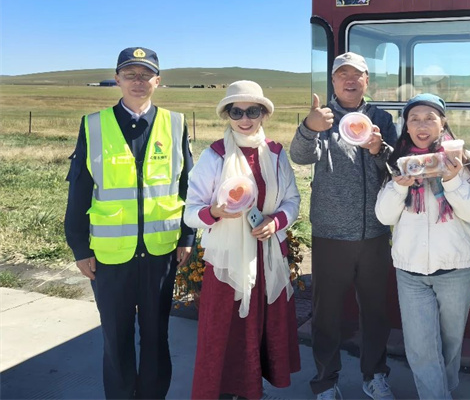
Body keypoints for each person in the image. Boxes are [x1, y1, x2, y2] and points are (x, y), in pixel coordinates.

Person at [64, 47, 195, 400]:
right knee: (115, 336)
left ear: (158, 81)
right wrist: (79, 247)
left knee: (156, 336)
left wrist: (187, 236)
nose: (138, 81)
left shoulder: (175, 123)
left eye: (145, 75)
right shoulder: (94, 125)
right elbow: (79, 189)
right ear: (117, 79)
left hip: (160, 251)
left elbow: (187, 186)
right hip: (110, 256)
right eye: (130, 74)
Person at [289, 52, 397, 400]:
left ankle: (375, 375)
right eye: (342, 74)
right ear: (333, 80)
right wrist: (309, 128)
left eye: (357, 74)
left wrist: (380, 149)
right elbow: (300, 156)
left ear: (367, 80)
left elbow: (396, 167)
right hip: (331, 234)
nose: (350, 80)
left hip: (375, 232)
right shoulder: (322, 117)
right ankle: (325, 381)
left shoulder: (381, 118)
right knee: (326, 315)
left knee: (376, 312)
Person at [184, 80, 301, 399]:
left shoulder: (276, 153)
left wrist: (275, 222)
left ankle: (252, 389)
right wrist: (214, 212)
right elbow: (190, 211)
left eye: (252, 111)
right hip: (227, 263)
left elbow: (292, 200)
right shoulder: (215, 156)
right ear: (227, 115)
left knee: (262, 330)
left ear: (263, 114)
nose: (245, 119)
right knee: (225, 332)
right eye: (237, 112)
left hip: (268, 259)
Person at [375, 93, 470, 400]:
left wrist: (452, 179)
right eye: (414, 119)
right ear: (406, 126)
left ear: (443, 123)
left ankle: (443, 390)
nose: (422, 126)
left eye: (429, 118)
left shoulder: (463, 160)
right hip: (410, 272)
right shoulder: (399, 163)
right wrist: (398, 187)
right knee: (422, 348)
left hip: (455, 270)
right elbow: (384, 216)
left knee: (450, 344)